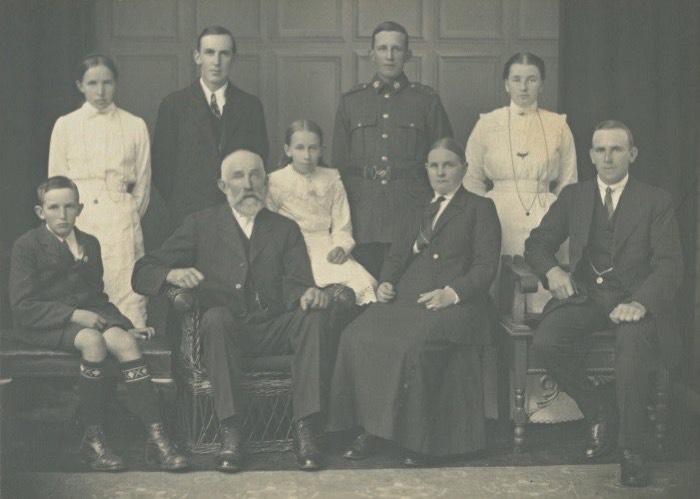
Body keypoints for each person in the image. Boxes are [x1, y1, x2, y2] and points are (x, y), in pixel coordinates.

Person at [132, 150, 335, 473]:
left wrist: (308, 293)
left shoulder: (285, 228)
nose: (248, 184)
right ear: (223, 186)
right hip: (226, 332)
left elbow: (297, 284)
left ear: (266, 182)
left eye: (255, 175)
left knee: (313, 318)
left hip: (273, 328)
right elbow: (142, 271)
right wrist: (172, 274)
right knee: (215, 318)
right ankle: (231, 431)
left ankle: (306, 429)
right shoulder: (200, 224)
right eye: (238, 176)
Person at [525, 121, 683, 487]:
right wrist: (552, 271)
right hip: (588, 297)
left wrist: (641, 302)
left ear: (632, 154)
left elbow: (670, 266)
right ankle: (598, 407)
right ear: (591, 155)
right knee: (547, 341)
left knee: (631, 349)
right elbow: (537, 244)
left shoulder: (656, 200)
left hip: (634, 298)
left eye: (616, 149)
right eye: (600, 150)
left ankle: (631, 450)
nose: (608, 157)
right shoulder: (574, 196)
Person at [326, 138, 501, 465]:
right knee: (355, 336)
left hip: (457, 304)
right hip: (406, 300)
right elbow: (396, 255)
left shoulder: (480, 208)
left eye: (448, 165)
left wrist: (451, 293)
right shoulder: (417, 208)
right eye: (434, 166)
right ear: (426, 169)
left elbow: (486, 267)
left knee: (412, 346)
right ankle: (371, 429)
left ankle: (416, 440)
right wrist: (386, 282)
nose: (440, 172)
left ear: (463, 168)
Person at [9, 176, 190, 472]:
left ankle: (158, 438)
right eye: (54, 208)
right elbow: (23, 306)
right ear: (40, 212)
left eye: (69, 206)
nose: (62, 214)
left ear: (80, 208)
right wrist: (74, 315)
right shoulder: (27, 246)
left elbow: (96, 297)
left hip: (84, 319)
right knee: (93, 341)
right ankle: (93, 442)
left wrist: (124, 325)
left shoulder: (89, 244)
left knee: (125, 342)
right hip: (41, 322)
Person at [332, 21, 453, 279]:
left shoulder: (426, 101)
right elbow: (339, 166)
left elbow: (446, 162)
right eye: (382, 48)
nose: (389, 56)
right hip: (363, 215)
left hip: (412, 212)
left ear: (407, 55)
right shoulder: (352, 101)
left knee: (408, 290)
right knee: (366, 289)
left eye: (396, 49)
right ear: (371, 54)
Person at [464, 52, 577, 313]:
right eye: (516, 80)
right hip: (497, 214)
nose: (524, 87)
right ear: (506, 84)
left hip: (545, 213)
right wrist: (482, 217)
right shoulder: (487, 123)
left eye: (531, 79)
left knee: (543, 292)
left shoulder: (558, 125)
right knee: (498, 288)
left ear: (542, 84)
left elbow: (569, 182)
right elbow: (471, 179)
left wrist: (558, 219)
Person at [49, 54, 150, 328]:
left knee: (124, 286)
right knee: (82, 287)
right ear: (80, 85)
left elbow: (142, 186)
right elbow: (56, 181)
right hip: (79, 218)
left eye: (107, 83)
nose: (100, 91)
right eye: (92, 83)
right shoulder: (65, 125)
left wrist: (125, 214)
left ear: (115, 84)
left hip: (120, 222)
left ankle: (130, 340)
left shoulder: (135, 125)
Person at [152, 25, 269, 226]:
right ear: (197, 57)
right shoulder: (174, 105)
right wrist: (182, 205)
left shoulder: (250, 106)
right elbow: (162, 169)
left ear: (234, 57)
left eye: (224, 53)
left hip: (238, 213)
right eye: (209, 53)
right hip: (187, 217)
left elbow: (259, 159)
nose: (216, 62)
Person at [267, 119, 377, 306]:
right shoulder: (275, 182)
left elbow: (342, 224)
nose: (307, 156)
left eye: (313, 148)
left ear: (321, 150)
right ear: (288, 150)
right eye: (300, 148)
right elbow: (270, 227)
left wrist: (341, 247)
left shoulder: (331, 179)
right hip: (292, 251)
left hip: (326, 248)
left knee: (361, 287)